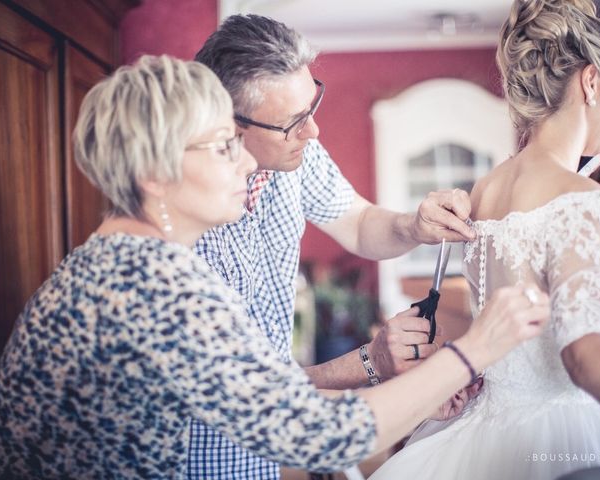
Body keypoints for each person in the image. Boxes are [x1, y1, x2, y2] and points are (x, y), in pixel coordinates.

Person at [0, 55, 548, 479]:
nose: (247, 162)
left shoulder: (119, 260)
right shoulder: (158, 290)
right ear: (152, 176)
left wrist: (411, 377)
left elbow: (276, 397)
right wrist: (473, 350)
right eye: (221, 147)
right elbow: (319, 436)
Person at [191, 14, 482, 477]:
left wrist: (414, 225)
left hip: (264, 453)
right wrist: (372, 363)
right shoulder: (188, 225)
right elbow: (239, 393)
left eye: (313, 106)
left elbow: (360, 222)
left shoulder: (295, 156)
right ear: (229, 126)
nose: (314, 132)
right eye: (293, 122)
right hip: (198, 455)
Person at [370, 1, 600, 479]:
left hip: (485, 424)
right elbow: (586, 356)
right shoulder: (580, 197)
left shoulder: (486, 188)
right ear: (591, 83)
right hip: (564, 434)